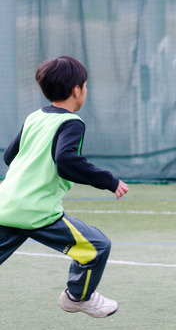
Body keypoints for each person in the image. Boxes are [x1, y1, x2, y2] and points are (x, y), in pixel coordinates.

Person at [0, 55, 129, 318]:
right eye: (86, 86)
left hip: (6, 205)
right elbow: (66, 161)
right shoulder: (71, 123)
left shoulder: (34, 117)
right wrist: (109, 180)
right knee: (97, 247)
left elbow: (9, 156)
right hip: (37, 212)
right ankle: (76, 297)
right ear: (76, 90)